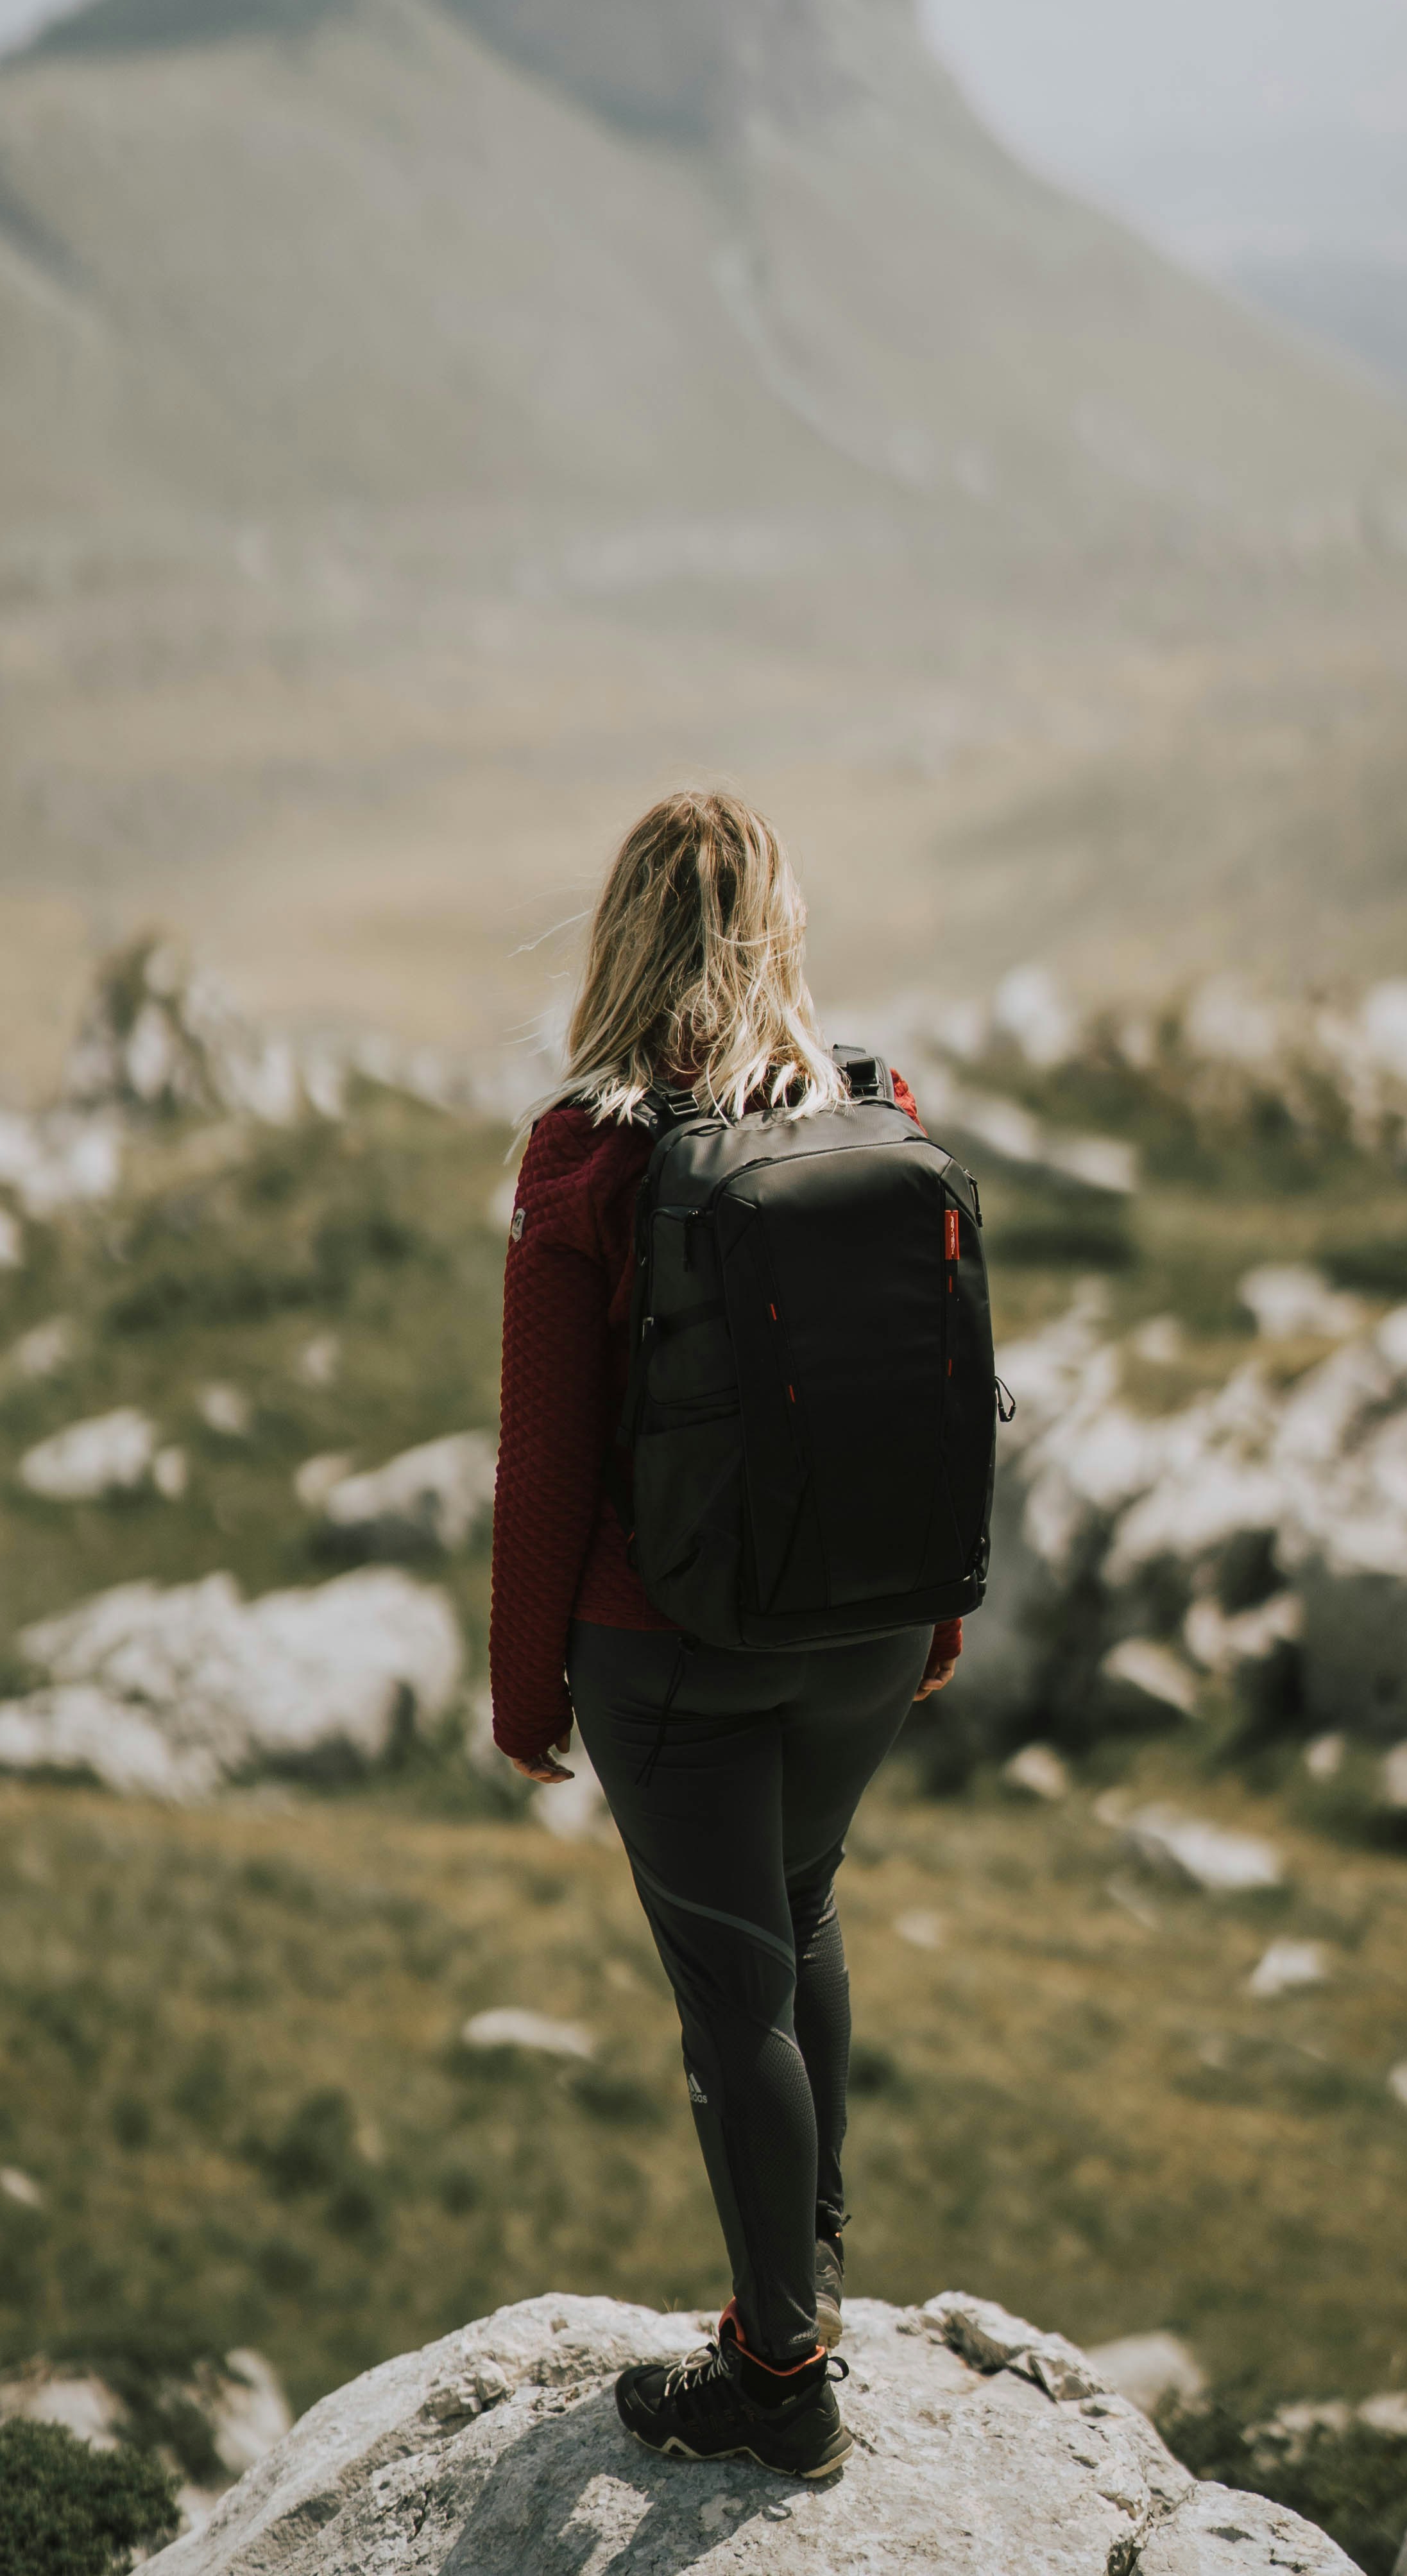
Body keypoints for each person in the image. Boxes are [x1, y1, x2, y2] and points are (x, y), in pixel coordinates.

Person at [490, 789, 960, 2488]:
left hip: (667, 1645)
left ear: (621, 936)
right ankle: (810, 2278)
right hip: (865, 1627)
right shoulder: (874, 1108)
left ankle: (778, 2372)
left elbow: (544, 1461)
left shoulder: (588, 1154)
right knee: (804, 1906)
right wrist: (942, 1614)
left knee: (728, 1993)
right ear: (780, 928)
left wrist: (524, 1690)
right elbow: (937, 1384)